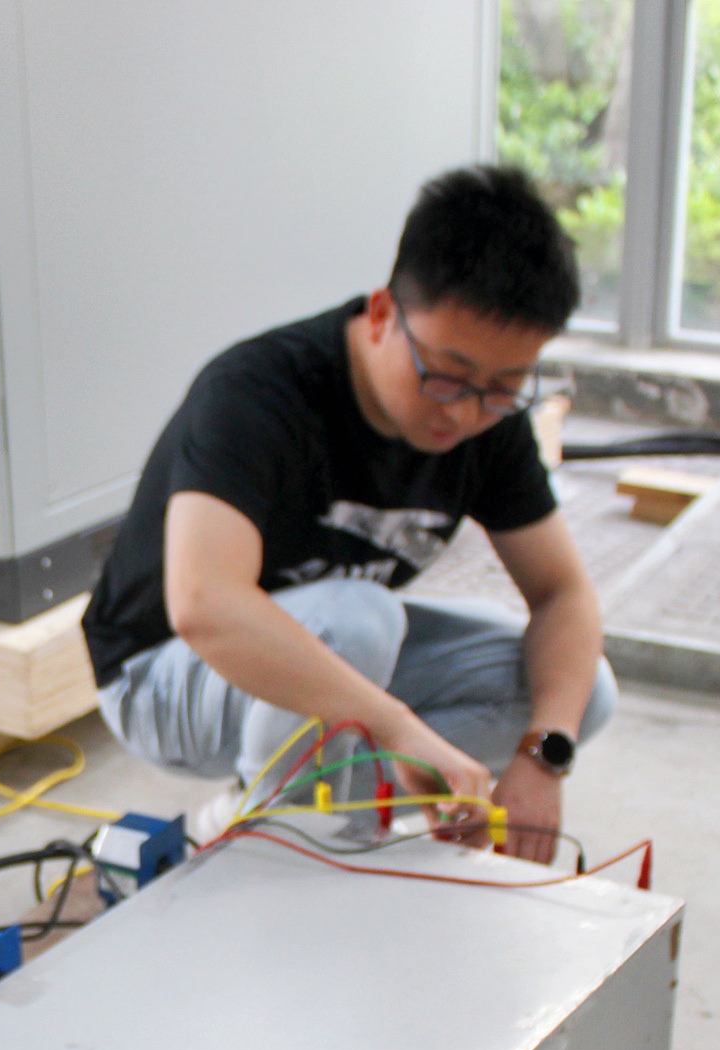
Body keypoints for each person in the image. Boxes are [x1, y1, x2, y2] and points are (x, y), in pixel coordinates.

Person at [82, 163, 612, 864]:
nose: (464, 411)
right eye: (446, 375)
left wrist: (545, 756)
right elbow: (203, 605)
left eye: (503, 387)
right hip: (163, 681)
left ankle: (295, 810)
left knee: (580, 693)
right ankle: (285, 845)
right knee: (359, 619)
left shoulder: (489, 421)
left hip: (324, 661)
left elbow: (563, 593)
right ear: (383, 314)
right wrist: (394, 726)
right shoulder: (258, 391)